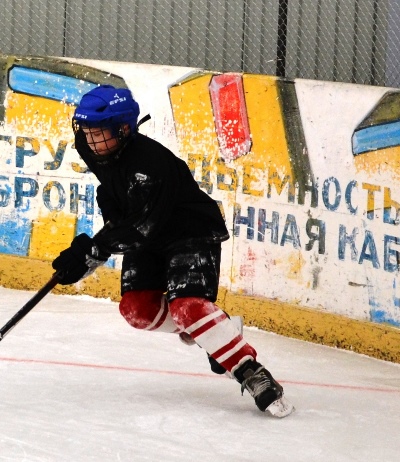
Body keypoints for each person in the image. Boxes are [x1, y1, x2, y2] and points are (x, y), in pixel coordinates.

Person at [52, 85, 294, 417]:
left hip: (189, 231)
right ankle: (215, 327)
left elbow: (141, 226)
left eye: (99, 132)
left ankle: (250, 371)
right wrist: (93, 245)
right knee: (136, 310)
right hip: (149, 233)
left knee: (187, 308)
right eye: (87, 131)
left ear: (123, 129)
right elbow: (123, 202)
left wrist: (96, 249)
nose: (91, 140)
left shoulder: (149, 164)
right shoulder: (91, 146)